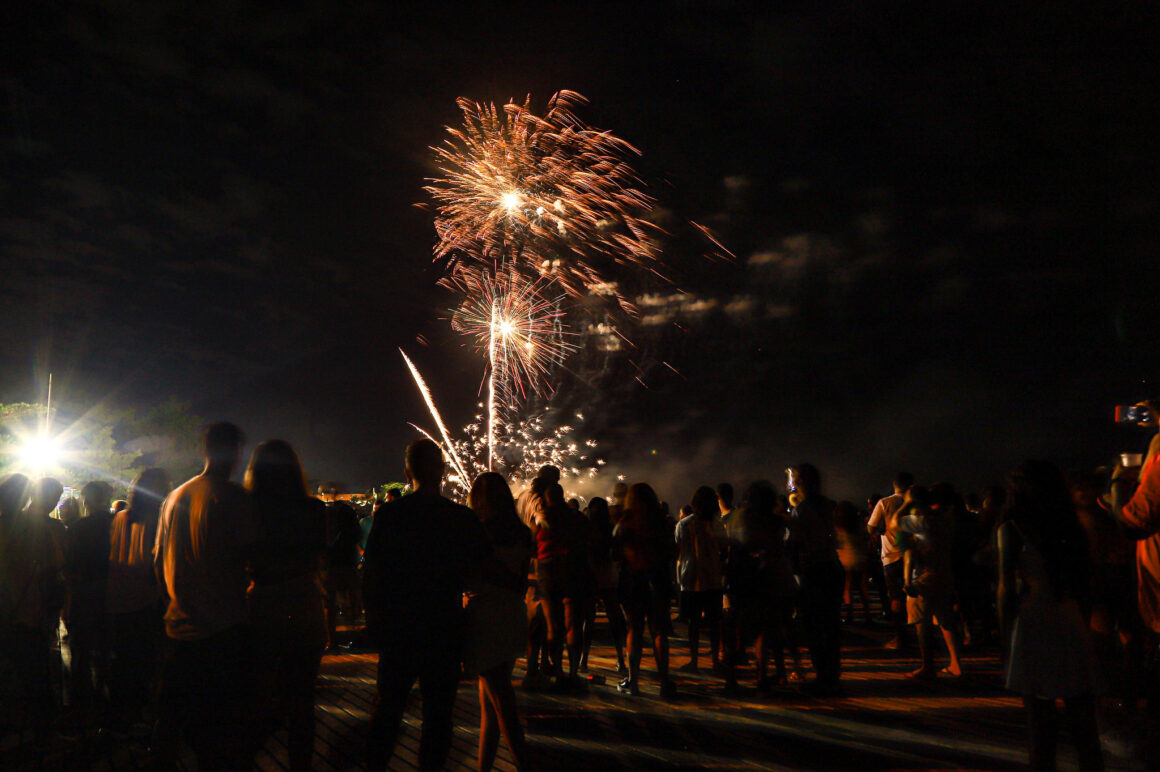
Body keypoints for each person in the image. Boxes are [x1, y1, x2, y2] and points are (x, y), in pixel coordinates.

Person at [362, 439, 492, 772]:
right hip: (444, 628)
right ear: (443, 470)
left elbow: (372, 574)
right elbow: (481, 570)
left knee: (388, 710)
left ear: (407, 472)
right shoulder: (460, 517)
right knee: (438, 717)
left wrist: (375, 622)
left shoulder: (390, 515)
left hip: (399, 628)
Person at [152, 421, 259, 770]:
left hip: (178, 626)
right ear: (238, 452)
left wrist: (172, 603)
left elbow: (157, 561)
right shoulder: (234, 499)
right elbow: (252, 559)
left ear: (204, 450)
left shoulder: (175, 497)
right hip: (222, 630)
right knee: (220, 730)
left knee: (174, 720)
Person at [1000, 460, 1104, 772]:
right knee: (1082, 718)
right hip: (1068, 617)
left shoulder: (1013, 528)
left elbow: (1004, 589)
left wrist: (1005, 639)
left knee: (1040, 722)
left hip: (1033, 620)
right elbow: (1087, 581)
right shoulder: (1071, 525)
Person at [245, 440, 327, 771]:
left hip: (263, 604)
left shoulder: (248, 509)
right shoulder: (314, 509)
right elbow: (319, 558)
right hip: (304, 603)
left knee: (260, 697)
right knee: (302, 702)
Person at [464, 472, 533, 772]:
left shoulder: (478, 534)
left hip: (486, 618)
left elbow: (470, 578)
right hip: (513, 615)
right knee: (490, 708)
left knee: (503, 707)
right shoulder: (521, 533)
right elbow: (520, 584)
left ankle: (527, 766)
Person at [0, 473, 63, 757]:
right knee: (36, 678)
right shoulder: (32, 527)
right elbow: (54, 565)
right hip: (24, 613)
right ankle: (43, 737)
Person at [106, 467, 171, 736]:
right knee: (146, 663)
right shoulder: (158, 519)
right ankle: (141, 719)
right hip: (147, 601)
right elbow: (159, 562)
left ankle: (119, 718)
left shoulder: (120, 517)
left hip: (118, 598)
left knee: (122, 661)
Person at [613, 482, 676, 699]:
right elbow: (671, 551)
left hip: (633, 580)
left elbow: (615, 553)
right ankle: (665, 682)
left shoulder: (624, 523)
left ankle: (635, 682)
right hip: (657, 579)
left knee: (634, 630)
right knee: (659, 632)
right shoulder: (663, 522)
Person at [62, 479, 115, 737]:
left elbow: (69, 567)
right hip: (111, 597)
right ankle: (106, 707)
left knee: (81, 654)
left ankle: (79, 710)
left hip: (84, 597)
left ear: (86, 499)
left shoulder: (79, 528)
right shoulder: (118, 524)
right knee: (106, 652)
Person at [786, 463, 844, 696]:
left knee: (815, 626)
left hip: (814, 571)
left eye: (794, 480)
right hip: (832, 567)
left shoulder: (803, 510)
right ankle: (831, 675)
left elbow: (793, 544)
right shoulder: (825, 505)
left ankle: (823, 679)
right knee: (830, 626)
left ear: (799, 483)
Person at [898, 485, 966, 679]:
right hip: (944, 573)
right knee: (945, 620)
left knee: (922, 621)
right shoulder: (944, 520)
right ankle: (956, 663)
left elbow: (894, 523)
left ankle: (927, 666)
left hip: (925, 576)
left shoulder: (919, 522)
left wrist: (906, 504)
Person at [674, 486, 723, 673]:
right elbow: (723, 544)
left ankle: (694, 661)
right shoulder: (715, 523)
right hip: (712, 578)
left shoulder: (684, 524)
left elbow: (678, 547)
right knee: (714, 623)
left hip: (691, 578)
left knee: (693, 624)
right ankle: (716, 662)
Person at [867, 472, 914, 649]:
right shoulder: (916, 502)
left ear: (894, 486)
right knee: (915, 595)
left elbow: (871, 528)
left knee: (894, 597)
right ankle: (922, 634)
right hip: (914, 556)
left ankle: (900, 638)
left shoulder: (885, 502)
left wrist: (881, 532)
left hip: (891, 556)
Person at [581, 497, 627, 674]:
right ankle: (621, 660)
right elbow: (616, 554)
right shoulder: (610, 528)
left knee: (588, 620)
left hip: (590, 576)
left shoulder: (586, 529)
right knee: (614, 619)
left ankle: (583, 660)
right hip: (608, 576)